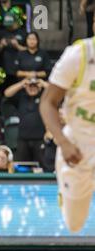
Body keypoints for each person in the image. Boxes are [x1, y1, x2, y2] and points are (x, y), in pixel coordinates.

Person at [39, 29, 95, 233]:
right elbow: (47, 102)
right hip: (78, 148)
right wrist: (63, 142)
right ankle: (65, 192)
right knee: (75, 224)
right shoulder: (79, 54)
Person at [4, 77, 48, 165]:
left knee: (43, 166)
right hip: (22, 139)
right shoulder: (21, 97)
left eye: (34, 86)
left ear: (39, 87)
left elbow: (55, 92)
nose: (32, 88)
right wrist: (22, 83)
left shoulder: (44, 98)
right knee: (20, 166)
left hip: (40, 138)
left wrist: (42, 83)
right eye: (30, 86)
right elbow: (7, 93)